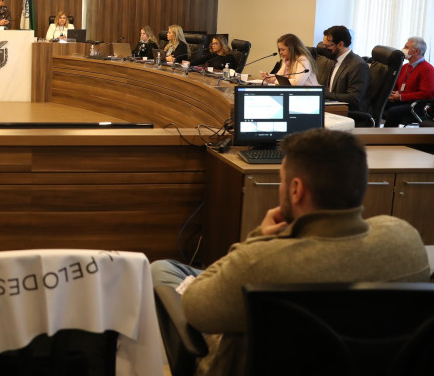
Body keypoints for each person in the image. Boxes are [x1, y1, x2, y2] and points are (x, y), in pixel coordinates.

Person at [151, 128, 430, 376]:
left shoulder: (260, 261)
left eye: (282, 180)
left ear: (296, 190)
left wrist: (258, 238)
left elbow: (197, 311)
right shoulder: (404, 239)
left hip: (239, 361)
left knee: (161, 269)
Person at [383, 36, 434, 127]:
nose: (403, 49)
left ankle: (387, 139)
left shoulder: (428, 69)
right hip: (402, 100)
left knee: (393, 112)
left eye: (406, 47)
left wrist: (401, 97)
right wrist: (391, 94)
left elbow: (426, 94)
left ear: (416, 51)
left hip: (417, 105)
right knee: (379, 102)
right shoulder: (405, 66)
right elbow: (395, 86)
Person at [322, 25, 371, 112]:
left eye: (328, 46)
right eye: (324, 46)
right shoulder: (333, 61)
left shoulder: (358, 65)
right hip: (331, 106)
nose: (325, 49)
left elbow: (353, 98)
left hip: (349, 112)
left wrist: (325, 94)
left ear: (340, 44)